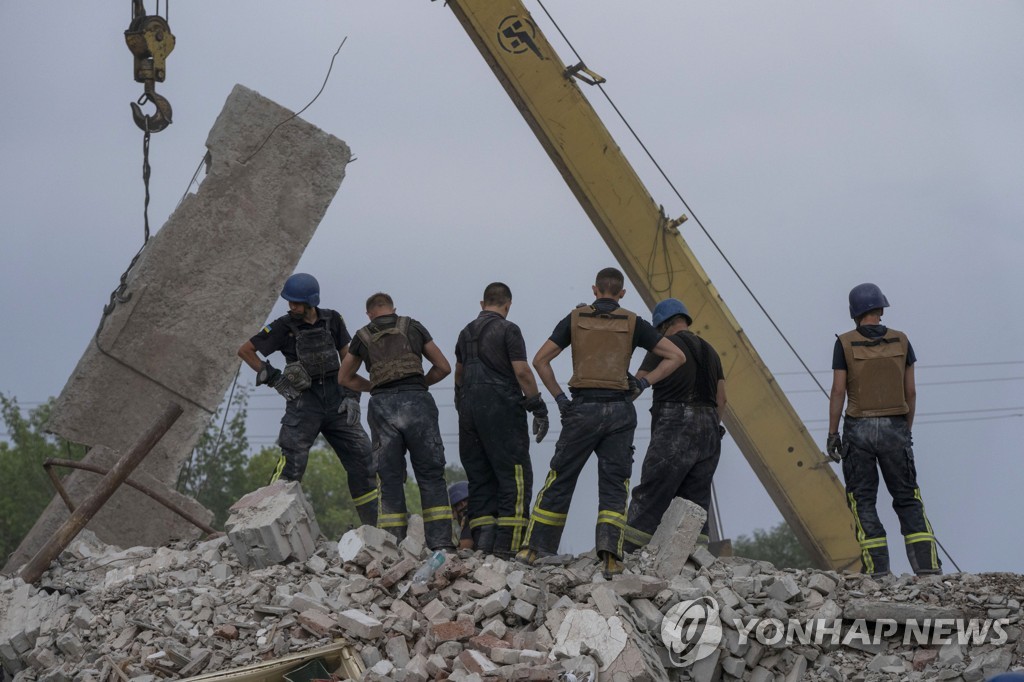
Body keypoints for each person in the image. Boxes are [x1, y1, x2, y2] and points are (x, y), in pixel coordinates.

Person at [516, 267, 686, 578]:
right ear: (622, 293)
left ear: (595, 290)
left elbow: (540, 360)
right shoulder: (634, 322)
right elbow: (676, 357)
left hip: (582, 410)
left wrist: (559, 399)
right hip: (620, 411)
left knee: (560, 478)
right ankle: (610, 556)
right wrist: (644, 383)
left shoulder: (575, 319)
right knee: (614, 485)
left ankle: (533, 549)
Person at [237, 273, 378, 526]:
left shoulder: (333, 319)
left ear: (311, 301)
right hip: (303, 404)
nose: (291, 306)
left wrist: (352, 396)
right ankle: (264, 525)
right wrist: (274, 378)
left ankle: (376, 527)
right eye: (289, 302)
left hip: (338, 402)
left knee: (364, 461)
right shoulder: (282, 326)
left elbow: (349, 358)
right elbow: (246, 351)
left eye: (296, 303)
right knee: (291, 467)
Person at [827, 283, 941, 577]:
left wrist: (832, 433)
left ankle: (877, 571)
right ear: (880, 309)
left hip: (858, 429)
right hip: (895, 427)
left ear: (855, 313)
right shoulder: (902, 341)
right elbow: (911, 392)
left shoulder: (845, 343)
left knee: (863, 500)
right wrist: (906, 430)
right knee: (907, 497)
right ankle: (927, 568)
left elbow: (838, 391)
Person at [339, 292, 456, 551]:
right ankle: (442, 545)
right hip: (418, 405)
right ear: (393, 309)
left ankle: (392, 546)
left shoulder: (362, 336)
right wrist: (417, 384)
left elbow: (344, 378)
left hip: (382, 407)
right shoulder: (412, 326)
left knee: (389, 477)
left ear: (369, 313)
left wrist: (375, 386)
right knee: (431, 475)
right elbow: (444, 367)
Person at [622, 298, 726, 554]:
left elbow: (635, 386)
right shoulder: (711, 351)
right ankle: (696, 560)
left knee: (652, 493)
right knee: (695, 504)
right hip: (710, 429)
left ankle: (626, 553)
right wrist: (712, 428)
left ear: (662, 326)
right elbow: (722, 398)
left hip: (675, 425)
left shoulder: (663, 346)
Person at [454, 282, 548, 558]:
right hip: (501, 409)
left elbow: (459, 374)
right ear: (507, 305)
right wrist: (537, 407)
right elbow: (522, 372)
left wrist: (463, 406)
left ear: (483, 304)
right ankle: (510, 549)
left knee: (480, 478)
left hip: (469, 411)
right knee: (515, 477)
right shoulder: (509, 329)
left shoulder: (465, 332)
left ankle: (483, 544)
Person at [448, 480, 474, 550]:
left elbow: (463, 548)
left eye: (453, 511)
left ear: (462, 504)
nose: (453, 517)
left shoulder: (469, 518)